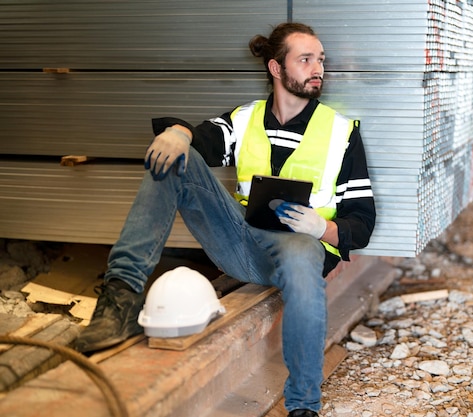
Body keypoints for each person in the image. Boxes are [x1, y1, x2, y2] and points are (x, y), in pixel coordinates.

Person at [74, 22, 375, 417]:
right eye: (305, 59)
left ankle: (304, 405)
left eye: (320, 59)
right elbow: (202, 139)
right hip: (239, 241)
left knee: (302, 255)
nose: (317, 67)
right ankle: (120, 301)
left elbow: (363, 221)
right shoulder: (245, 119)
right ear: (276, 68)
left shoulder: (342, 132)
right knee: (174, 155)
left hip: (301, 250)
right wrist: (178, 133)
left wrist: (323, 228)